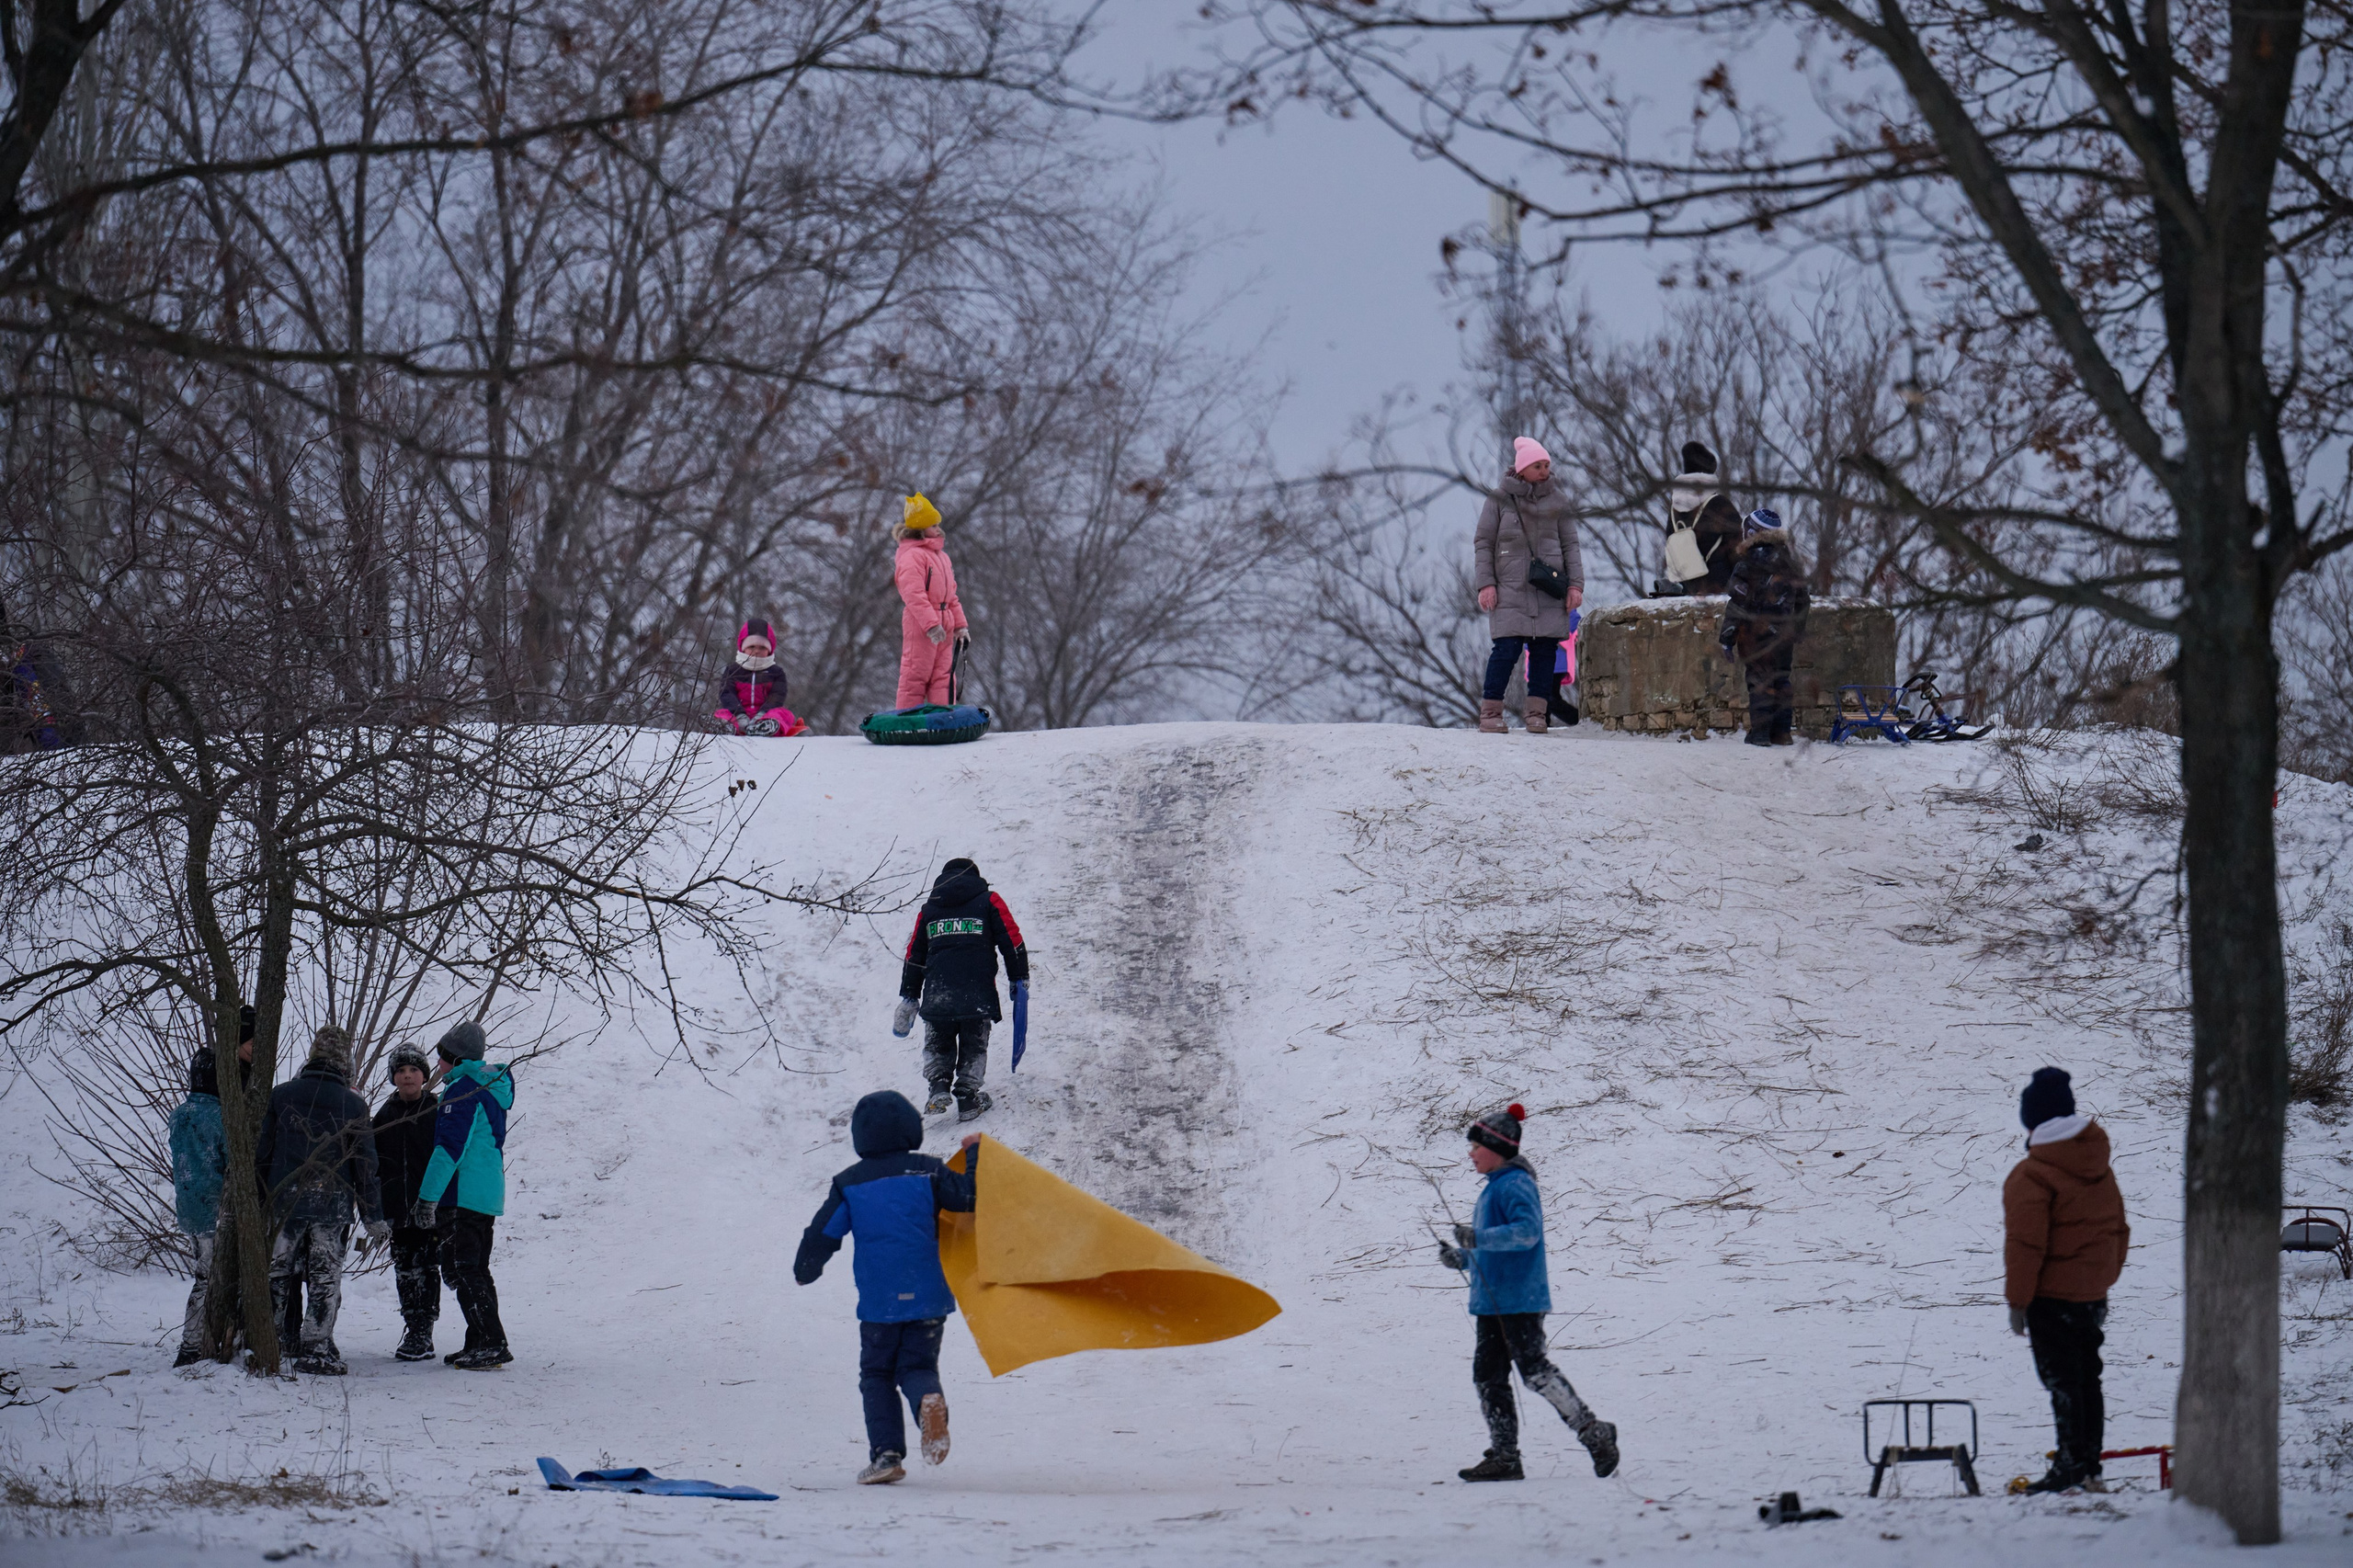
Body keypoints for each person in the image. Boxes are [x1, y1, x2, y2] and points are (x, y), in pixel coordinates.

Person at [792, 1091, 982, 1485]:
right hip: (928, 1295)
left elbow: (822, 1233)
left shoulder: (850, 1183)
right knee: (918, 1366)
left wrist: (806, 1269)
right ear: (912, 1130)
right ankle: (928, 1401)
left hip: (880, 1303)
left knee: (877, 1374)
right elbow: (969, 1198)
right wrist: (975, 1153)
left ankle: (887, 1455)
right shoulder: (929, 1172)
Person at [1437, 1103, 1619, 1483]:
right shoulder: (1493, 1189)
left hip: (1518, 1301)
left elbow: (1526, 1233)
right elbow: (1493, 1247)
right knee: (1488, 1378)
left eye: (1475, 1146)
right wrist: (1463, 1257)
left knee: (1535, 1373)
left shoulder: (1517, 1184)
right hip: (1491, 1303)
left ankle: (1593, 1431)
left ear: (1497, 1149)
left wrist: (1479, 1237)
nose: (1470, 1153)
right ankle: (1505, 1457)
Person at [2005, 1067, 2130, 1494]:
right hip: (2092, 1293)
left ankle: (2070, 1470)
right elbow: (2119, 1228)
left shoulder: (2033, 1175)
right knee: (2088, 1378)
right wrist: (2102, 1279)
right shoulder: (2099, 1167)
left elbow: (2025, 1245)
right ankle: (2090, 1468)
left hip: (2051, 1297)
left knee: (2062, 1382)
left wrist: (2018, 1302)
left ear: (2032, 1120)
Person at [253, 1025, 387, 1374]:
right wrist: (373, 1216)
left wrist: (255, 1201)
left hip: (283, 1203)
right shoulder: (354, 1104)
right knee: (324, 1277)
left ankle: (274, 1342)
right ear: (346, 1063)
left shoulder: (280, 1096)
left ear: (312, 1056)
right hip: (333, 1205)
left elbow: (261, 1155)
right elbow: (365, 1166)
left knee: (278, 1273)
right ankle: (317, 1346)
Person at [413, 1021, 516, 1369]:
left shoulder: (463, 1091)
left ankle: (491, 1343)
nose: (438, 1063)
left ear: (454, 1058)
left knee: (465, 1269)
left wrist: (428, 1199)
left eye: (442, 1056)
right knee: (474, 1269)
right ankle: (480, 1340)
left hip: (464, 1193)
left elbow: (449, 1150)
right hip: (484, 1192)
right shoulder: (488, 1086)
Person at [893, 858, 1028, 1121]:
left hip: (937, 992)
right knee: (974, 1044)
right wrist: (1019, 978)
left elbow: (915, 954)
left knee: (938, 1041)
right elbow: (1011, 940)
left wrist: (910, 995)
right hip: (977, 992)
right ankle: (968, 1097)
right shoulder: (989, 901)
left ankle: (938, 1086)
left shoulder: (929, 909)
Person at [1472, 437, 1583, 735]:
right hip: (1509, 590)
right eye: (1538, 465)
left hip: (1549, 591)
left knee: (1545, 651)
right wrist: (1486, 584)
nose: (1545, 470)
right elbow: (1484, 543)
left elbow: (1571, 545)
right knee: (1506, 651)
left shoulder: (1558, 501)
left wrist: (1576, 586)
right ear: (1522, 469)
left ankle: (1537, 714)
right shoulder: (1498, 499)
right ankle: (1491, 714)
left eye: (1547, 465)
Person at [1716, 507, 1812, 746]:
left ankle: (1760, 733)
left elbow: (1737, 603)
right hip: (1784, 634)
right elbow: (1803, 600)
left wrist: (1727, 638)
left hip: (1755, 635)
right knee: (1781, 679)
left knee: (1760, 681)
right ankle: (1782, 732)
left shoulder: (1748, 563)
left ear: (1752, 532)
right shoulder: (1790, 562)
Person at [372, 1046, 442, 1362]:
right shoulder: (384, 1116)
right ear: (394, 1078)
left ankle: (423, 1331)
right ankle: (411, 1325)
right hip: (396, 1210)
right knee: (404, 1269)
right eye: (401, 1071)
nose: (407, 1076)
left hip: (428, 1209)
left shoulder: (436, 1111)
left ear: (424, 1076)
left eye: (413, 1070)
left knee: (427, 1269)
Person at [168, 1048, 228, 1367]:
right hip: (215, 1205)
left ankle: (196, 1342)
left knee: (203, 1274)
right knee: (209, 1277)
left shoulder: (179, 1113)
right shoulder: (220, 1115)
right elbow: (232, 1160)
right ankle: (192, 1346)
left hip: (189, 1206)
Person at [892, 494, 968, 710]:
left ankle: (943, 717)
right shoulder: (912, 556)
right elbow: (913, 594)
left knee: (944, 675)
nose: (938, 529)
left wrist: (960, 626)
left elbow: (951, 595)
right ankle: (908, 718)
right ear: (920, 528)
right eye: (933, 525)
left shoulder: (941, 557)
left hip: (945, 621)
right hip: (921, 623)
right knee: (916, 673)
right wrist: (931, 624)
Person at [1665, 441, 1744, 594]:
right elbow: (1738, 546)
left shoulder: (1674, 510)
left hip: (1687, 587)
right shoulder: (1718, 503)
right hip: (1720, 585)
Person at [713, 618, 804, 736]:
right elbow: (727, 693)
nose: (756, 651)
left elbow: (777, 696)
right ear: (743, 648)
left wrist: (762, 714)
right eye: (752, 647)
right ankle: (726, 726)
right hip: (737, 715)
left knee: (785, 714)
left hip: (765, 714)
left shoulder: (776, 673)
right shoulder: (733, 671)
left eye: (762, 648)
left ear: (769, 650)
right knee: (722, 713)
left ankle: (765, 726)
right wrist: (739, 714)